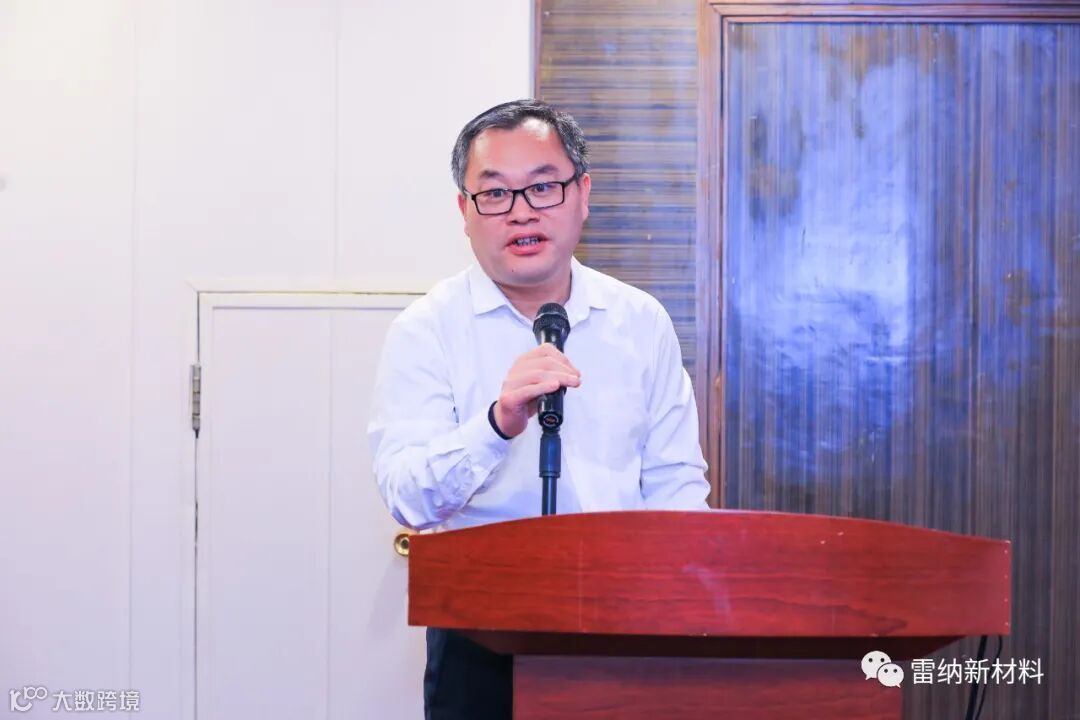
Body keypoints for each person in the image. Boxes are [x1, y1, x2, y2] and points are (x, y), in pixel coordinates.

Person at [367, 99, 710, 720]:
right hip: (480, 637)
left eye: (543, 187)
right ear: (464, 213)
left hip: (626, 625)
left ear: (583, 193)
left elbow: (675, 486)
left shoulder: (639, 322)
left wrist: (686, 609)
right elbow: (408, 495)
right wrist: (494, 425)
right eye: (495, 193)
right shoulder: (427, 329)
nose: (521, 212)